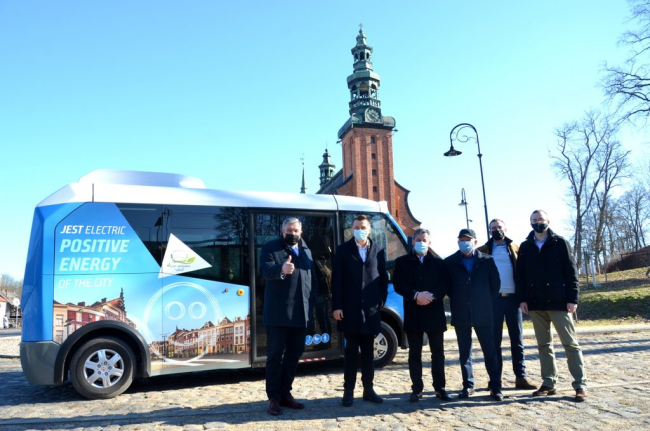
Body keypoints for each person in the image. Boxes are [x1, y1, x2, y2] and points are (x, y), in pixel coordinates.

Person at [516, 210, 588, 402]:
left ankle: (580, 384)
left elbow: (571, 272)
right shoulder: (525, 246)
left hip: (559, 302)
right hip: (536, 303)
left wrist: (573, 298)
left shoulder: (560, 243)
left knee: (570, 344)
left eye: (541, 219)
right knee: (543, 345)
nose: (538, 223)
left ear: (548, 221)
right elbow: (520, 276)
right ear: (530, 223)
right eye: (534, 220)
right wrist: (522, 299)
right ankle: (548, 382)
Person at [259, 217, 318, 416]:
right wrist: (281, 270)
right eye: (289, 230)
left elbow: (312, 279)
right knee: (275, 357)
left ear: (301, 231)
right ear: (282, 231)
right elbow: (265, 271)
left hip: (301, 314)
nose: (292, 233)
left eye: (296, 230)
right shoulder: (271, 248)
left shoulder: (306, 250)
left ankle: (286, 394)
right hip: (278, 314)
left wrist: (313, 304)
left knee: (294, 356)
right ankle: (273, 398)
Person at [332, 214, 388, 407]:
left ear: (369, 228)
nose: (360, 229)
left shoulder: (379, 251)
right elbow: (337, 280)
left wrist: (382, 298)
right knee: (350, 353)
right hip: (349, 310)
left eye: (363, 226)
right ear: (352, 228)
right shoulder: (343, 250)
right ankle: (348, 392)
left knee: (368, 353)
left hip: (371, 310)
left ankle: (368, 390)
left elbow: (383, 277)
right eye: (356, 226)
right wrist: (337, 306)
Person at [477, 219, 537, 390]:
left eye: (499, 228)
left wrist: (524, 297)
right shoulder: (483, 250)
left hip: (513, 299)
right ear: (489, 231)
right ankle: (495, 379)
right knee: (494, 341)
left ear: (506, 229)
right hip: (493, 300)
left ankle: (521, 377)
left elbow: (524, 273)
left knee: (516, 340)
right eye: (493, 228)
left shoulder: (516, 248)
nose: (497, 230)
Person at [393, 228, 452, 402]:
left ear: (429, 242)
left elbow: (445, 284)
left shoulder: (439, 263)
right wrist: (416, 295)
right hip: (413, 312)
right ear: (413, 241)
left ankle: (440, 388)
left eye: (424, 240)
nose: (421, 242)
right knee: (414, 354)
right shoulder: (401, 262)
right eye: (418, 239)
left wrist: (431, 296)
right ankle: (416, 389)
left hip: (434, 312)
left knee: (438, 353)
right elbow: (398, 284)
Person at [444, 228, 503, 401]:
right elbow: (447, 287)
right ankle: (468, 385)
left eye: (468, 239)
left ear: (475, 242)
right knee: (464, 353)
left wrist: (484, 301)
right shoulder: (450, 262)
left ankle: (495, 386)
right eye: (461, 239)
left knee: (490, 351)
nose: (465, 242)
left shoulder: (487, 261)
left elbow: (495, 285)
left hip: (483, 312)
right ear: (457, 242)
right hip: (461, 311)